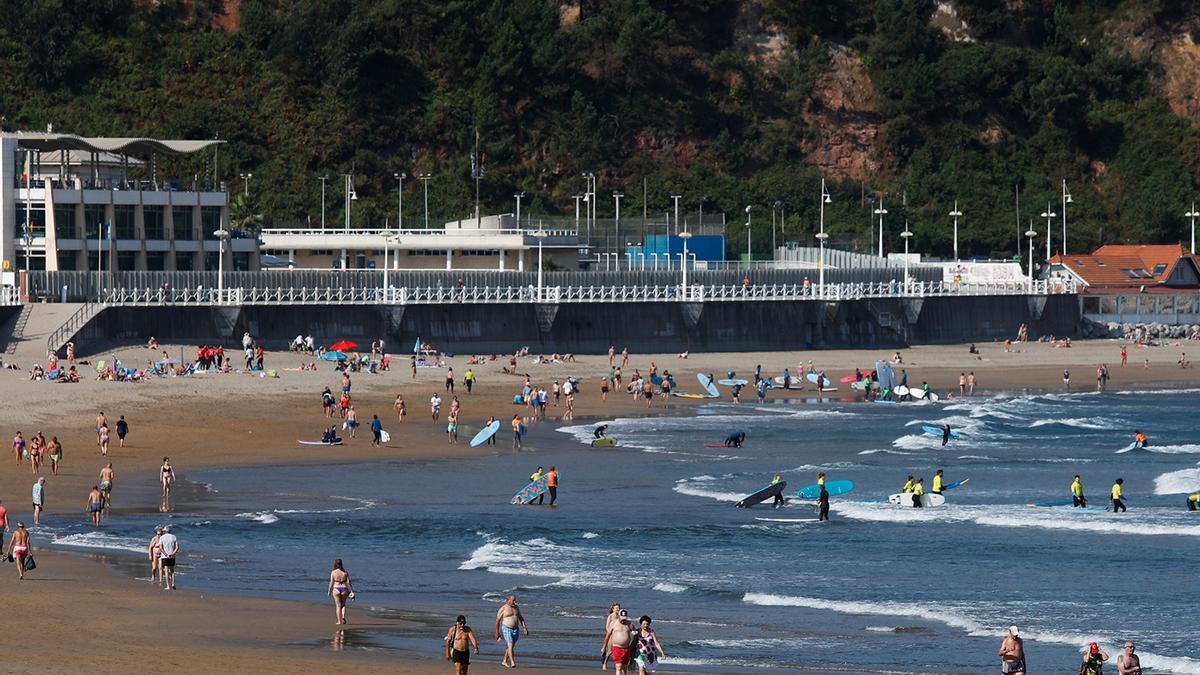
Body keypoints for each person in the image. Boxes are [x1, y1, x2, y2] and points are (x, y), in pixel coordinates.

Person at [495, 594, 528, 668]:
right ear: (508, 600)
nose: (515, 601)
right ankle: (512, 662)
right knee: (510, 645)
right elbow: (497, 621)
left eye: (515, 600)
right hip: (507, 628)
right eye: (513, 600)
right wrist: (497, 632)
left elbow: (521, 618)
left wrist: (524, 627)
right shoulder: (503, 608)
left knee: (511, 646)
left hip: (516, 629)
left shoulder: (516, 607)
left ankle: (504, 661)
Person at [602, 608, 635, 674]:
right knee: (619, 666)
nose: (623, 620)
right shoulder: (613, 623)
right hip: (617, 648)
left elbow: (635, 635)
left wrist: (633, 630)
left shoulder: (629, 624)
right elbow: (607, 636)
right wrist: (604, 647)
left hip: (626, 649)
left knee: (624, 669)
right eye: (622, 618)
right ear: (618, 616)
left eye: (624, 618)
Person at [327, 558, 355, 625]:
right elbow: (348, 582)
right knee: (343, 605)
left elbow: (331, 582)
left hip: (336, 588)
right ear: (341, 564)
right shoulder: (345, 572)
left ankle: (339, 621)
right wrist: (351, 591)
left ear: (335, 564)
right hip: (344, 589)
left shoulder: (333, 572)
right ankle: (343, 617)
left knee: (338, 606)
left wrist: (329, 591)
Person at [158, 525, 179, 590]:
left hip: (165, 556)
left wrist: (166, 554)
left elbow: (161, 548)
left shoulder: (162, 537)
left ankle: (168, 586)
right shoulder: (174, 537)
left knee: (166, 571)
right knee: (172, 571)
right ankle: (173, 584)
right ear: (170, 531)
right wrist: (172, 553)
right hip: (172, 556)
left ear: (164, 531)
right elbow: (177, 547)